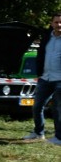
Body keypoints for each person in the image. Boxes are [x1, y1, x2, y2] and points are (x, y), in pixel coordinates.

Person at [23, 13, 61, 144]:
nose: (59, 25)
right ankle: (39, 133)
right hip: (45, 78)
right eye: (56, 22)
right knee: (37, 106)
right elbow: (40, 55)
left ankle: (59, 137)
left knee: (57, 108)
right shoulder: (47, 38)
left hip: (59, 80)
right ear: (52, 24)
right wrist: (39, 72)